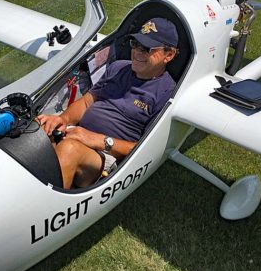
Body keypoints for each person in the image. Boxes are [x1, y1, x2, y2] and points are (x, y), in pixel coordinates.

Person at [37, 17, 178, 188]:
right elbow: (87, 102)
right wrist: (63, 120)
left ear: (168, 55)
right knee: (38, 130)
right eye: (135, 43)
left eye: (147, 48)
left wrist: (99, 140)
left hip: (106, 154)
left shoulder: (167, 93)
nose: (138, 52)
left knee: (69, 149)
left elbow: (146, 148)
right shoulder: (118, 67)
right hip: (78, 134)